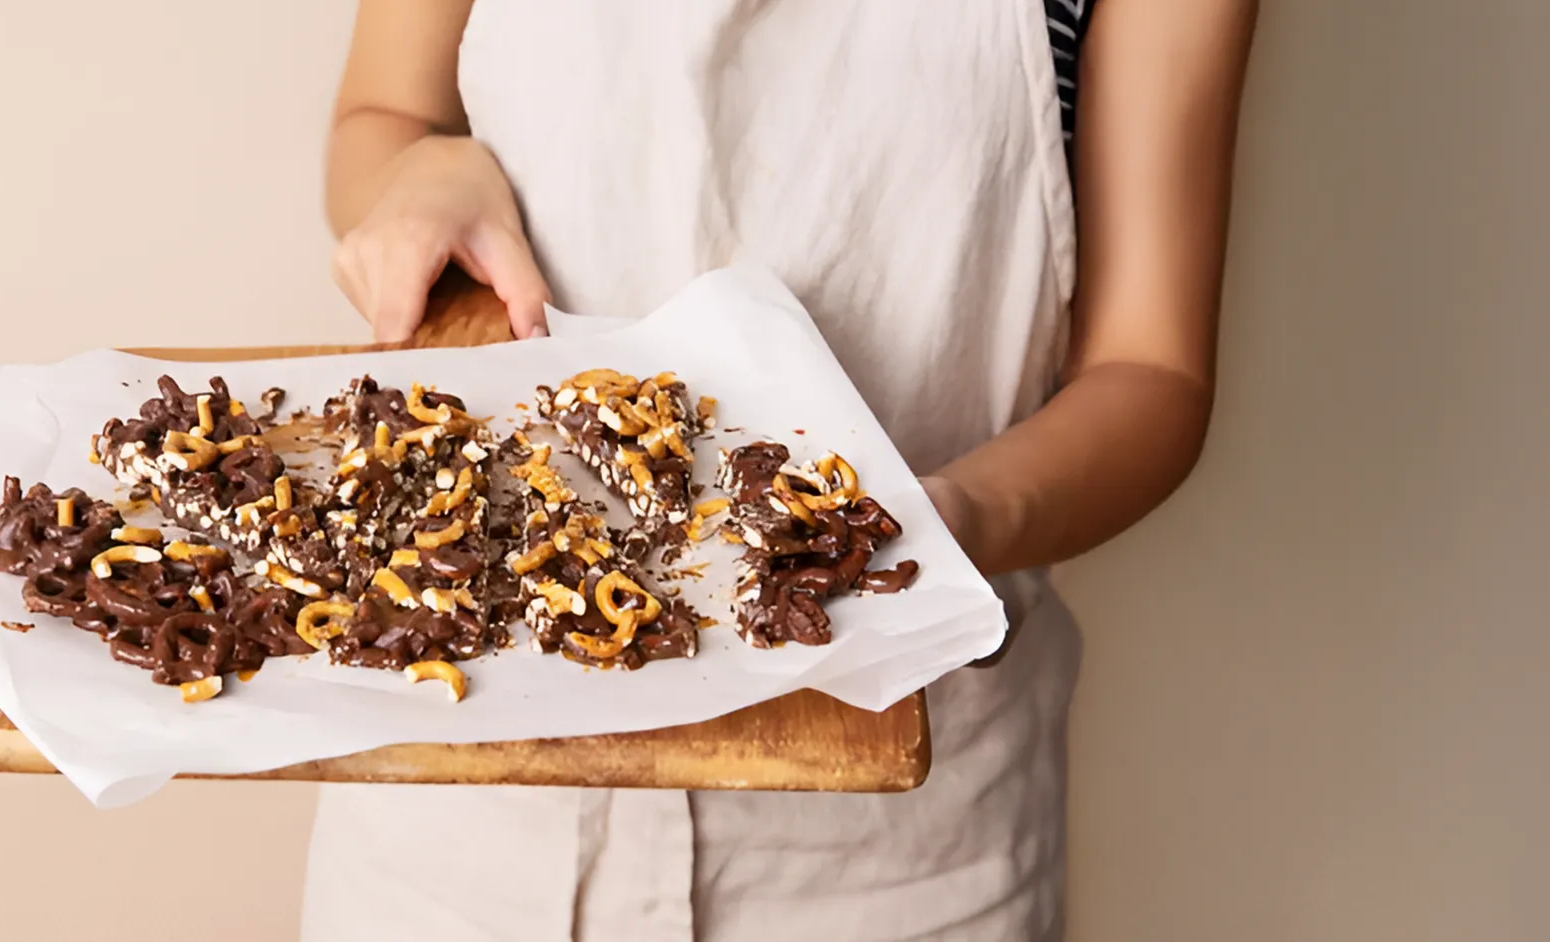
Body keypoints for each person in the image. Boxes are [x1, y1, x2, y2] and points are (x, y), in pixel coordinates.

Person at [307, 1, 1258, 939]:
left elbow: (1150, 368)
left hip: (901, 855)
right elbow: (382, 119)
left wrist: (951, 518)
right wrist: (423, 173)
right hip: (458, 804)